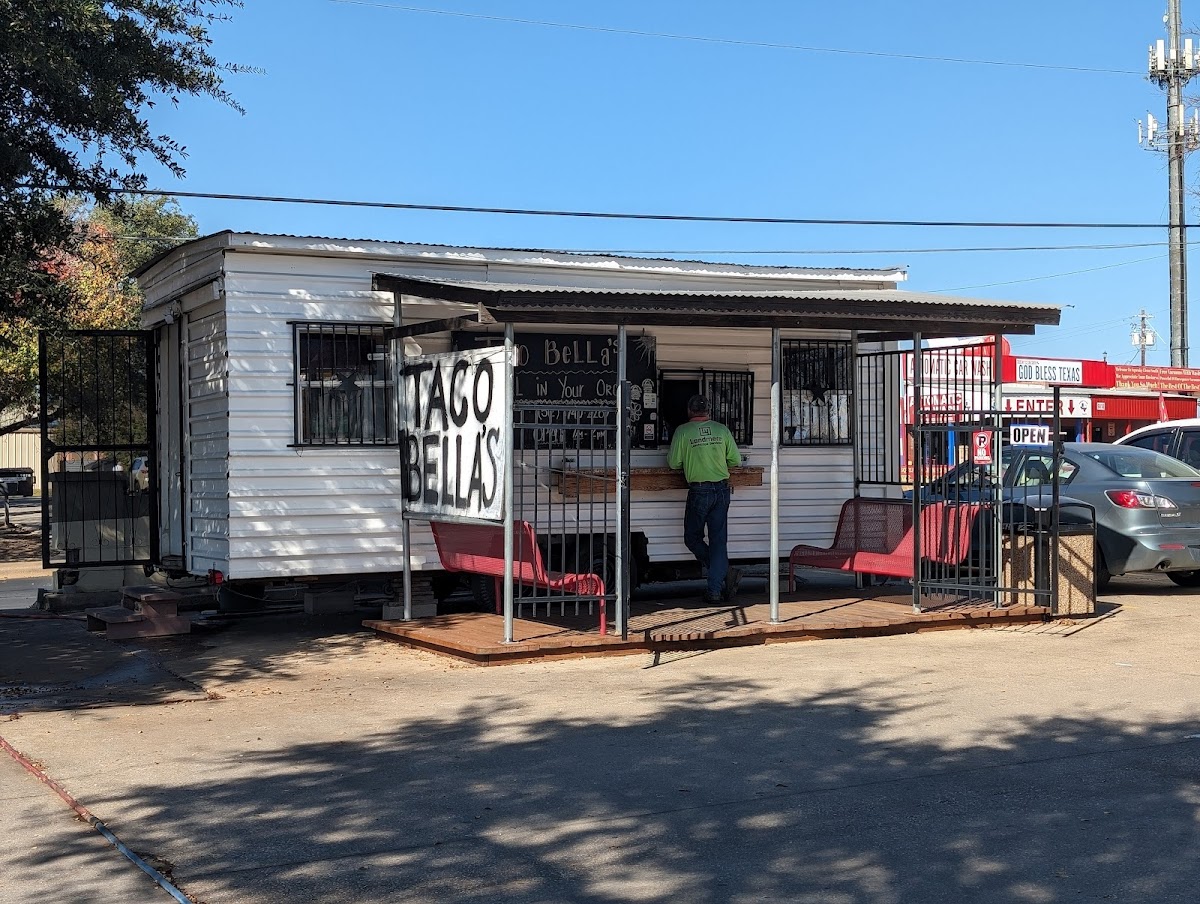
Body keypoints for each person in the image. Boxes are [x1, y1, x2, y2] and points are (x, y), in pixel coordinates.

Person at [668, 394, 742, 602]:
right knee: (719, 541)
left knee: (692, 538)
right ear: (709, 411)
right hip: (722, 490)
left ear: (690, 411)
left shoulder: (682, 431)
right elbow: (735, 460)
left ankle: (722, 574)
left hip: (700, 491)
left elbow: (673, 463)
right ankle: (715, 589)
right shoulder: (722, 430)